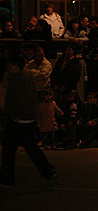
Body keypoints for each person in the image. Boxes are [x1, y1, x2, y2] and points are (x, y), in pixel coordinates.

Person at [0, 55, 58, 188]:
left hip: (18, 120)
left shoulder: (17, 81)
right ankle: (48, 171)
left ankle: (7, 178)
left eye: (10, 65)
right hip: (28, 119)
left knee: (10, 150)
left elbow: (17, 102)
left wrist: (9, 113)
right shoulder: (27, 80)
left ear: (16, 66)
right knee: (31, 148)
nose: (8, 68)